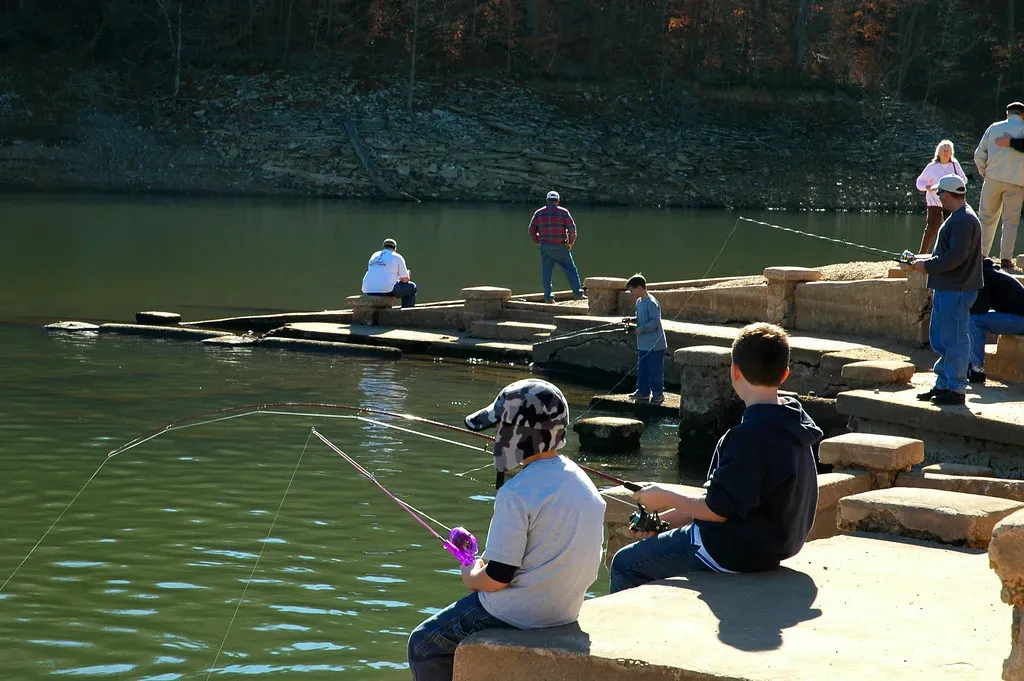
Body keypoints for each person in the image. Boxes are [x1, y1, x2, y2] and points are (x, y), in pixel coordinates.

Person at [407, 379, 605, 681]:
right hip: (564, 610)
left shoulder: (516, 493)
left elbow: (498, 577)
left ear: (519, 436)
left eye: (500, 429)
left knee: (423, 644)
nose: (496, 438)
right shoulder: (584, 483)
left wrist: (470, 574)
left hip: (518, 614)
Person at [608, 322, 822, 593]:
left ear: (735, 372)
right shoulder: (794, 423)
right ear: (785, 374)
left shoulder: (749, 436)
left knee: (624, 563)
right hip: (775, 546)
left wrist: (664, 496)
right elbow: (729, 499)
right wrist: (665, 523)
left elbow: (717, 511)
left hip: (732, 551)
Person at [908, 174, 984, 405]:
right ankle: (943, 384)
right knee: (941, 339)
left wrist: (926, 267)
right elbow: (948, 255)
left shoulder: (964, 220)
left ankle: (956, 389)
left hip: (957, 290)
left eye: (940, 193)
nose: (938, 197)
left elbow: (955, 258)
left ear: (948, 195)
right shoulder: (959, 218)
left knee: (956, 340)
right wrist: (923, 261)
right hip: (947, 288)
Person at [974, 101, 1024, 269]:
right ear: (1023, 115)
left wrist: (984, 172)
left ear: (1007, 113)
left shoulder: (994, 128)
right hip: (1017, 181)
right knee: (1010, 222)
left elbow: (979, 154)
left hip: (993, 178)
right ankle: (1006, 259)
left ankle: (980, 255)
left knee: (986, 218)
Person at [967, 258, 1024, 384]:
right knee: (974, 319)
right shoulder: (993, 272)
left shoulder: (983, 275)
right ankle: (973, 363)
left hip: (1020, 320)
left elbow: (981, 308)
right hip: (1017, 316)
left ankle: (976, 369)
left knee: (973, 321)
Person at [528, 191, 585, 303]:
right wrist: (570, 243)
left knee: (547, 273)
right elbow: (572, 229)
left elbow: (531, 231)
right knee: (571, 270)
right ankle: (578, 294)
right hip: (561, 247)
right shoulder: (563, 212)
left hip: (545, 247)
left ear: (547, 200)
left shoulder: (539, 213)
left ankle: (548, 297)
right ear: (557, 201)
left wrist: (538, 242)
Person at [622, 274, 668, 404]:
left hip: (654, 345)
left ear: (639, 288)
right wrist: (632, 320)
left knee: (655, 370)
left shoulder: (651, 302)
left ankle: (658, 394)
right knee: (643, 369)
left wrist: (641, 329)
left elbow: (654, 322)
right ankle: (642, 392)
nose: (631, 293)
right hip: (643, 344)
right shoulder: (639, 302)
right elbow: (642, 318)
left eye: (632, 290)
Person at [915, 139, 968, 253]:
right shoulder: (932, 166)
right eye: (943, 150)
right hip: (935, 201)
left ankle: (947, 252)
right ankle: (922, 253)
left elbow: (963, 179)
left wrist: (955, 184)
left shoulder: (955, 165)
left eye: (948, 150)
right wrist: (927, 187)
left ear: (951, 152)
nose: (946, 152)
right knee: (932, 227)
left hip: (950, 201)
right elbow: (919, 182)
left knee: (950, 227)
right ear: (938, 152)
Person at [360, 238, 417, 308]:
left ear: (384, 247)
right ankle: (407, 312)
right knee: (412, 287)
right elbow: (405, 280)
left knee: (389, 285)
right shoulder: (397, 256)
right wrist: (408, 274)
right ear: (395, 249)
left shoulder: (374, 255)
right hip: (386, 290)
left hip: (368, 290)